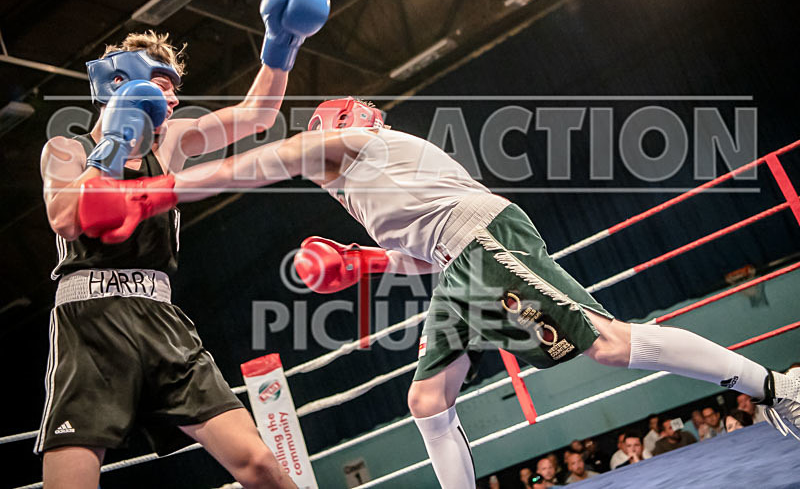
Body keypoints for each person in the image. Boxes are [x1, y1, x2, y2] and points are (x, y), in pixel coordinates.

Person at [75, 97, 800, 488]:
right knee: (426, 399)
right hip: (461, 261)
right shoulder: (374, 187)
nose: (319, 142)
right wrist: (362, 265)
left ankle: (775, 383)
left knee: (607, 342)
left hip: (484, 241)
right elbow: (421, 260)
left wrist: (161, 189)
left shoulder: (361, 146)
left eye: (326, 128)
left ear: (344, 126)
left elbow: (271, 158)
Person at [37, 0, 329, 489]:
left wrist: (282, 44)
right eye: (163, 86)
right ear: (121, 83)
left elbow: (257, 115)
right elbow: (65, 217)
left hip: (160, 317)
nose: (172, 102)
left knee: (259, 465)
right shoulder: (67, 148)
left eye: (174, 90)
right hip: (89, 323)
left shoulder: (168, 144)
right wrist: (117, 138)